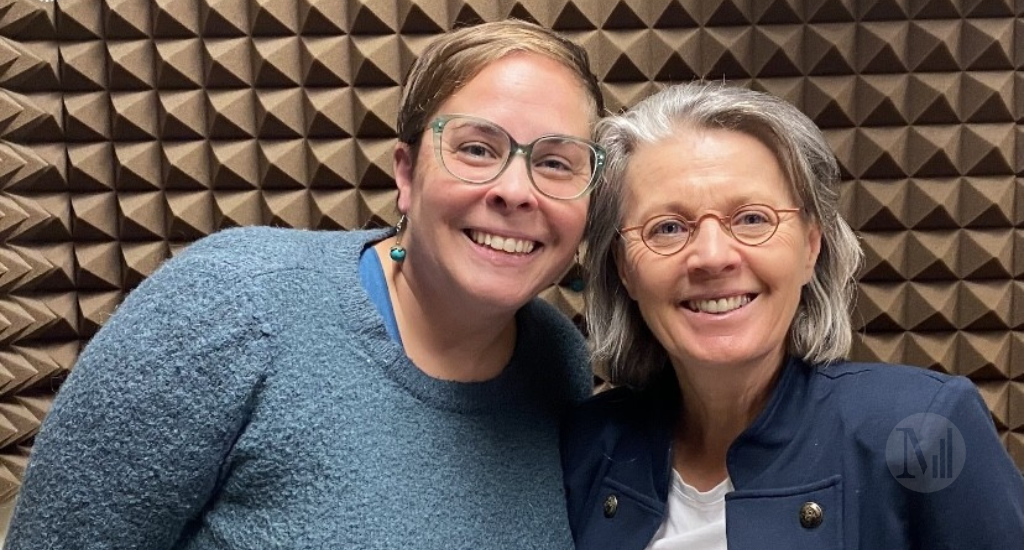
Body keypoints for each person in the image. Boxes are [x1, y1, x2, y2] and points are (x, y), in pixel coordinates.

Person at [5, 20, 607, 550]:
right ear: (406, 173)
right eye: (477, 149)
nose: (516, 190)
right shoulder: (231, 303)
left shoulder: (557, 363)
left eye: (556, 162)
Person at [561, 82, 1024, 550]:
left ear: (810, 246)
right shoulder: (586, 446)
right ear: (625, 269)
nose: (712, 256)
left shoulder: (925, 429)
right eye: (668, 228)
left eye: (752, 219)